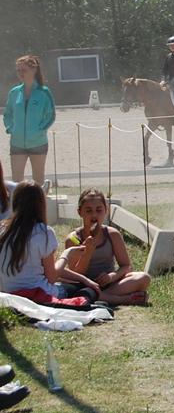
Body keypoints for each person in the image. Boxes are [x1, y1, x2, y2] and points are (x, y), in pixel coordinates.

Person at [0, 182, 100, 307]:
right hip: (39, 293)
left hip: (9, 294)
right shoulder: (43, 232)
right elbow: (52, 277)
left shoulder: (3, 229)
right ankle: (82, 303)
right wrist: (66, 255)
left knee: (80, 284)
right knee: (89, 290)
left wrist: (83, 278)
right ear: (41, 204)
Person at [57, 189, 150, 306]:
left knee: (144, 278)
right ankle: (119, 299)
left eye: (99, 210)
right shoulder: (73, 239)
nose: (94, 215)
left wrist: (111, 277)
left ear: (106, 211)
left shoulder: (112, 234)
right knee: (73, 288)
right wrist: (87, 253)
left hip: (110, 284)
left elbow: (126, 266)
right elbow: (76, 274)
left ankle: (100, 296)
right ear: (80, 212)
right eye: (88, 210)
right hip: (84, 284)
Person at [4, 55, 56, 187]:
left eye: (24, 70)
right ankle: (17, 206)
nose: (20, 73)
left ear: (34, 70)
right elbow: (8, 113)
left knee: (38, 180)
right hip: (17, 143)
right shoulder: (14, 92)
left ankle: (37, 206)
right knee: (16, 182)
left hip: (38, 143)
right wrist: (11, 128)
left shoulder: (44, 92)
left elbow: (50, 114)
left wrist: (40, 129)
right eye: (18, 70)